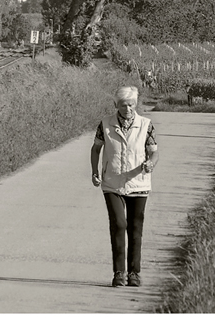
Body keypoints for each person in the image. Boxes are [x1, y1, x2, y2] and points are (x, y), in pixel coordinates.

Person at [90, 85, 159, 288]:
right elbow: (96, 149)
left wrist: (150, 163)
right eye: (123, 105)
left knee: (135, 228)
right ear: (116, 105)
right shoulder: (105, 125)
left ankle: (134, 273)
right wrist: (95, 171)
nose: (128, 109)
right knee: (119, 225)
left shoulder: (146, 125)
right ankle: (119, 273)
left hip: (138, 183)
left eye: (131, 105)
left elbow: (154, 152)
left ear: (136, 104)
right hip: (112, 183)